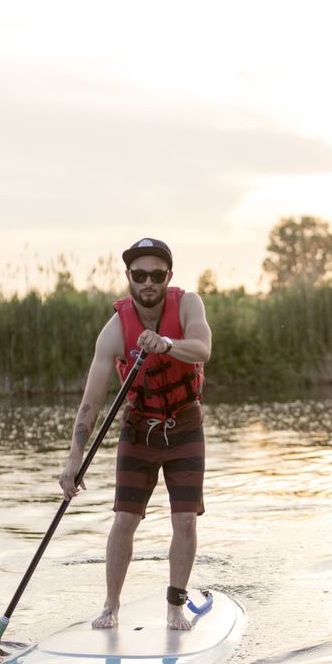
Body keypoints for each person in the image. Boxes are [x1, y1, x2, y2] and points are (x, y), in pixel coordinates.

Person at [59, 238, 212, 631]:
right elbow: (91, 402)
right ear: (129, 277)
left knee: (185, 521)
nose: (148, 282)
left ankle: (175, 607)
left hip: (184, 423)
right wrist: (74, 459)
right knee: (124, 519)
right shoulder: (114, 330)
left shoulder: (189, 304)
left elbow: (202, 349)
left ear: (168, 278)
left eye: (156, 275)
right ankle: (110, 606)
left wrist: (167, 344)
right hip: (138, 427)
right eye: (139, 275)